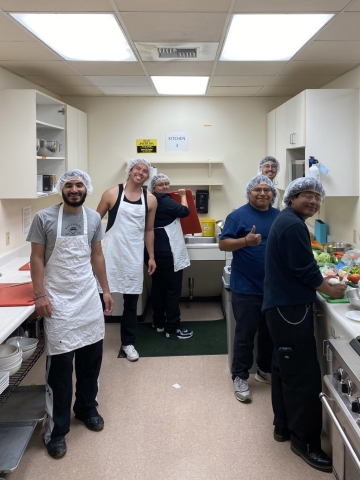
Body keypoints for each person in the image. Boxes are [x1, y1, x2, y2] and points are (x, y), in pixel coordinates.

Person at [27, 169, 114, 459]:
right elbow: (36, 258)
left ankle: (87, 409)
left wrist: (106, 290)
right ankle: (57, 431)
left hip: (87, 297)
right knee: (61, 370)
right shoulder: (44, 218)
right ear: (61, 189)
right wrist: (40, 294)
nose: (74, 189)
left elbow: (96, 256)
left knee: (91, 362)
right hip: (58, 300)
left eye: (79, 185)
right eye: (69, 185)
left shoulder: (92, 218)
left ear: (86, 188)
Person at [263, 177, 346, 473]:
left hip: (280, 307)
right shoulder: (293, 224)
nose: (313, 201)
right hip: (290, 309)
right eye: (307, 196)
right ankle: (306, 443)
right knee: (303, 376)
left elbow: (300, 265)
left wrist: (320, 282)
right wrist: (329, 288)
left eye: (317, 197)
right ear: (292, 197)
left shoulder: (287, 220)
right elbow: (304, 269)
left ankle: (283, 427)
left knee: (283, 369)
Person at [219, 175, 280, 403]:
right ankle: (240, 376)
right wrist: (245, 241)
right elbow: (223, 244)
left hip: (273, 288)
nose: (262, 193)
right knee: (245, 335)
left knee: (268, 334)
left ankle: (264, 370)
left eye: (267, 189)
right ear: (249, 193)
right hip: (246, 288)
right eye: (257, 189)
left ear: (273, 193)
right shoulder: (238, 216)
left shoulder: (279, 216)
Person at [96, 159, 157, 361]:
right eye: (137, 168)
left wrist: (151, 256)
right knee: (98, 298)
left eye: (145, 171)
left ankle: (128, 343)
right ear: (129, 171)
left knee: (131, 302)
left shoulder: (150, 200)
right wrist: (89, 252)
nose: (140, 172)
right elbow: (94, 224)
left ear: (148, 176)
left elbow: (149, 230)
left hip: (133, 254)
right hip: (109, 253)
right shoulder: (112, 193)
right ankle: (92, 340)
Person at [146, 174, 193, 339]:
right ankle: (172, 328)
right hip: (168, 253)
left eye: (167, 184)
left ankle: (158, 323)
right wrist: (183, 196)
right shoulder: (163, 199)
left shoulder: (150, 200)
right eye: (160, 184)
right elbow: (184, 211)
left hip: (155, 252)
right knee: (172, 291)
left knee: (158, 289)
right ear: (154, 188)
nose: (165, 187)